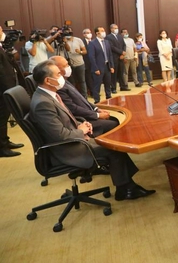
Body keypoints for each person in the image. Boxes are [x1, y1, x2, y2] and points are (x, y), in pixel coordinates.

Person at [29, 60, 155, 201]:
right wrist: (81, 132)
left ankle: (125, 186)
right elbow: (61, 136)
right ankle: (126, 189)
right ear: (48, 80)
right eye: (58, 74)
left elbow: (65, 119)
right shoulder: (43, 103)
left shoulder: (49, 95)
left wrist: (82, 125)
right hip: (67, 149)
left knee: (112, 142)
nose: (62, 75)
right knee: (113, 148)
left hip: (73, 138)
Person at [51, 56, 119, 137]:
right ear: (57, 68)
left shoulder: (64, 81)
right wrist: (97, 115)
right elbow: (73, 108)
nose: (69, 67)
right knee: (114, 123)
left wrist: (96, 109)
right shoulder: (58, 87)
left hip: (89, 113)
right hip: (83, 119)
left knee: (114, 119)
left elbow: (82, 99)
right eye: (65, 65)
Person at [0, 27, 24, 157]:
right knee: (1, 120)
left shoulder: (2, 46)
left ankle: (5, 141)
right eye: (0, 31)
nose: (2, 33)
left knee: (3, 119)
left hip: (7, 87)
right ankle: (2, 147)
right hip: (2, 90)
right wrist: (7, 90)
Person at [87, 26, 115, 104]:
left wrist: (112, 66)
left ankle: (109, 98)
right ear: (97, 33)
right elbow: (91, 57)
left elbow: (110, 55)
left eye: (104, 30)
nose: (104, 32)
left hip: (107, 66)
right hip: (98, 68)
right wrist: (95, 68)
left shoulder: (106, 42)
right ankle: (97, 100)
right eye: (102, 31)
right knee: (97, 85)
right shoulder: (92, 43)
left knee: (108, 83)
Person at [62, 29, 87, 98]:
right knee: (71, 83)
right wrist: (64, 42)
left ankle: (84, 97)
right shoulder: (63, 41)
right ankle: (75, 97)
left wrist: (80, 52)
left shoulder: (78, 40)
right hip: (69, 65)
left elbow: (85, 51)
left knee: (82, 81)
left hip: (80, 64)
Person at [105, 24, 129, 93]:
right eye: (115, 28)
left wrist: (123, 53)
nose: (116, 29)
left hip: (121, 58)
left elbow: (124, 45)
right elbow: (111, 47)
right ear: (111, 29)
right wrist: (121, 52)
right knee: (114, 74)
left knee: (121, 73)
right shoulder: (108, 37)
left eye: (117, 28)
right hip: (114, 57)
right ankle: (113, 88)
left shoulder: (120, 36)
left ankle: (123, 86)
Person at [81, 28, 94, 97]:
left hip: (94, 63)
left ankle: (95, 91)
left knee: (94, 78)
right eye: (87, 33)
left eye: (90, 32)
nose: (89, 34)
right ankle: (92, 92)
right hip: (86, 62)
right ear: (84, 34)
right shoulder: (82, 42)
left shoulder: (94, 41)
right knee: (88, 78)